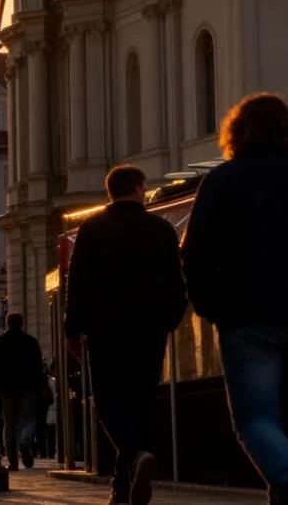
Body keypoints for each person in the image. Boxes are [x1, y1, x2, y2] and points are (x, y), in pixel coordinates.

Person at [181, 92, 288, 505]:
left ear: (237, 133)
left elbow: (195, 252)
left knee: (257, 417)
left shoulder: (223, 181)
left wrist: (212, 307)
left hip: (247, 318)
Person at [65, 164, 187, 505]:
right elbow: (178, 284)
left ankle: (131, 463)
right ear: (135, 190)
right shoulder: (161, 229)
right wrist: (169, 320)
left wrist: (73, 330)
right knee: (140, 404)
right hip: (149, 331)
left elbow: (79, 284)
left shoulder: (91, 230)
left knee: (108, 402)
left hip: (105, 331)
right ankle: (125, 479)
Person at [0, 312, 46, 470]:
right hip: (28, 388)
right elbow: (38, 367)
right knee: (29, 419)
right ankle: (25, 440)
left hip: (7, 390)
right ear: (21, 323)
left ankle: (12, 462)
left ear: (7, 323)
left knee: (9, 424)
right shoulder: (31, 342)